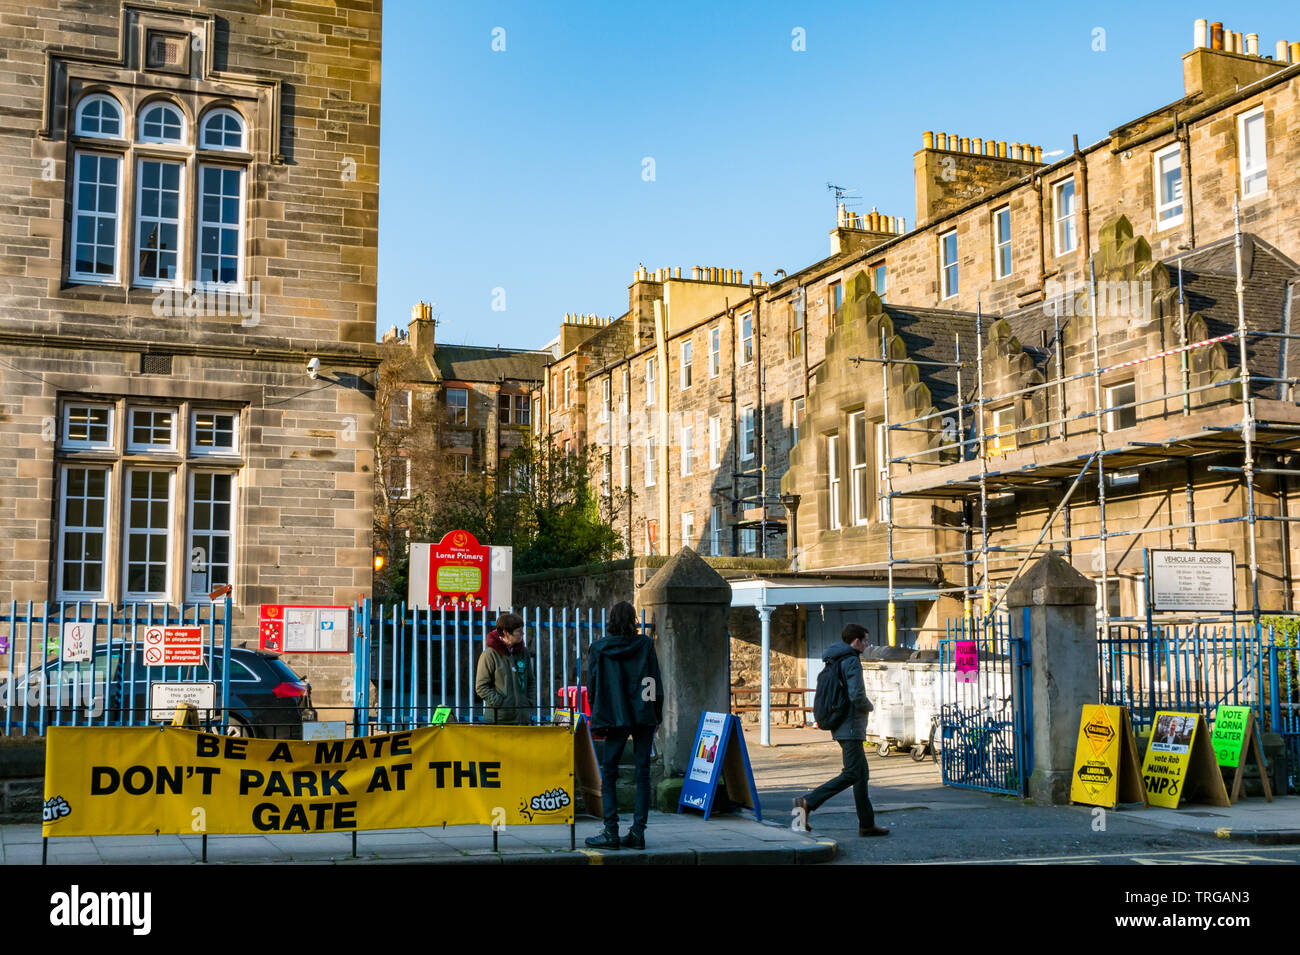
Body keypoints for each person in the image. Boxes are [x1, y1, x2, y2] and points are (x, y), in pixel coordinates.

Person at [794, 623, 889, 837]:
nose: (867, 644)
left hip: (841, 724)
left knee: (861, 775)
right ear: (856, 641)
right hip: (851, 726)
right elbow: (856, 695)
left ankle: (866, 824)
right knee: (852, 773)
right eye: (865, 640)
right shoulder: (852, 661)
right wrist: (869, 706)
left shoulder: (835, 659)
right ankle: (808, 802)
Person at [584, 601, 663, 851]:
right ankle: (638, 832)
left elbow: (593, 686)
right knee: (642, 774)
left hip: (614, 715)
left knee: (608, 773)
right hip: (642, 715)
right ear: (633, 620)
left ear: (611, 620)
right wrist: (654, 713)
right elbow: (652, 681)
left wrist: (599, 713)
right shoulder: (645, 645)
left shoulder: (599, 648)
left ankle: (611, 830)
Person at [474, 612, 531, 725]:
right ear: (506, 633)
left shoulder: (524, 652)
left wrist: (528, 702)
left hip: (521, 719)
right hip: (498, 720)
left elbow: (531, 680)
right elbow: (481, 687)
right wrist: (501, 703)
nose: (523, 633)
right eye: (519, 631)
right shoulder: (489, 655)